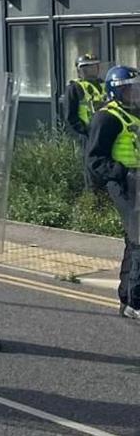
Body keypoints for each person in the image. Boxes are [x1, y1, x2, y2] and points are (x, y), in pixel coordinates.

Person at [84, 65, 140, 321]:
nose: (134, 94)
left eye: (136, 89)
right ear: (115, 91)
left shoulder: (136, 114)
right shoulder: (106, 118)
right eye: (128, 89)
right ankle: (136, 301)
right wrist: (121, 173)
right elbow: (94, 159)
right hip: (126, 183)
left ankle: (127, 298)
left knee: (134, 240)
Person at [65, 53, 105, 141]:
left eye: (94, 68)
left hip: (105, 130)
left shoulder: (104, 84)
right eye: (87, 69)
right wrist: (85, 130)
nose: (91, 71)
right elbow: (71, 116)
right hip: (87, 134)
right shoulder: (74, 88)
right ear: (79, 71)